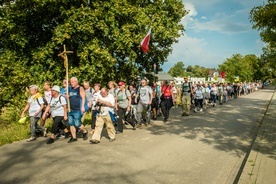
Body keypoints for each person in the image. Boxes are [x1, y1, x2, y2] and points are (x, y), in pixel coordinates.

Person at [67, 77, 88, 143]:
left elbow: (83, 98)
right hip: (71, 109)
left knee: (77, 123)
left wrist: (82, 107)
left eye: (73, 82)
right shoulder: (69, 88)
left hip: (77, 109)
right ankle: (74, 137)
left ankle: (84, 131)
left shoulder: (80, 88)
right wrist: (67, 96)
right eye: (71, 82)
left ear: (76, 82)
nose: (71, 83)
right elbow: (68, 96)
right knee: (71, 123)